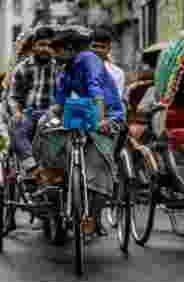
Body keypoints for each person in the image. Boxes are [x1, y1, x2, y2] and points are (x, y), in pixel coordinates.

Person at [38, 26, 125, 235]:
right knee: (49, 132)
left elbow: (96, 89)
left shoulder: (89, 59)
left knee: (100, 164)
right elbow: (60, 101)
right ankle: (55, 175)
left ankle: (93, 217)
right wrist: (49, 116)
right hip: (82, 109)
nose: (53, 54)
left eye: (56, 50)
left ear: (68, 49)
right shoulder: (65, 69)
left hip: (107, 111)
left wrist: (102, 120)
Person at [9, 26, 57, 177]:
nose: (45, 49)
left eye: (49, 45)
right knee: (16, 126)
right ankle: (33, 169)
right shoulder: (22, 68)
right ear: (34, 46)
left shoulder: (60, 67)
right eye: (41, 45)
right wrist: (17, 113)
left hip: (53, 115)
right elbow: (13, 96)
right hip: (30, 114)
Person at [90, 26, 126, 102]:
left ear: (108, 49)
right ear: (88, 47)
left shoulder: (117, 73)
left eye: (102, 47)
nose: (98, 50)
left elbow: (116, 100)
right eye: (95, 46)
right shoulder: (77, 69)